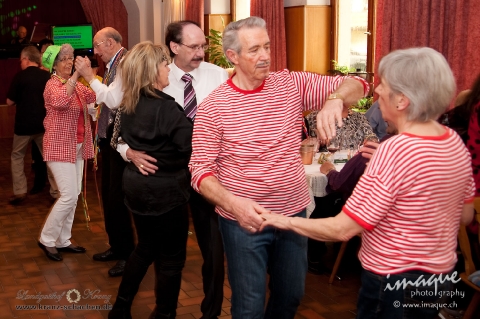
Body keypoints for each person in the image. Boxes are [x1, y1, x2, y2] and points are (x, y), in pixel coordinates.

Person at [259, 47, 475, 319]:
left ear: (402, 101)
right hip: (436, 278)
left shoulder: (393, 150)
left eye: (384, 86)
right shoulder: (452, 141)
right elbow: (465, 215)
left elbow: (341, 229)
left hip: (392, 281)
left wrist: (279, 219)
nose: (378, 93)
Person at [188, 16, 368, 318]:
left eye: (267, 47)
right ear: (232, 56)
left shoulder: (290, 84)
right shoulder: (214, 106)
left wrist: (335, 99)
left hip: (293, 214)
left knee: (291, 295)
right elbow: (200, 171)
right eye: (255, 49)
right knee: (248, 306)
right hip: (243, 221)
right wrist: (234, 204)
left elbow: (358, 84)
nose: (265, 56)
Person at [117, 20, 229, 319]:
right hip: (170, 184)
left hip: (201, 178)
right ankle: (163, 313)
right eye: (194, 46)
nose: (201, 51)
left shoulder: (218, 76)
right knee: (169, 258)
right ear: (174, 47)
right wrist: (128, 152)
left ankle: (210, 312)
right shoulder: (162, 101)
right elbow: (117, 138)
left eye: (203, 45)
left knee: (212, 252)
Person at [107, 41, 193, 319]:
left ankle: (120, 308)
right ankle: (164, 315)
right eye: (165, 63)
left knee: (144, 248)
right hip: (165, 193)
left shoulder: (129, 103)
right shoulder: (167, 109)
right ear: (152, 70)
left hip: (137, 188)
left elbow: (112, 133)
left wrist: (129, 152)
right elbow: (192, 150)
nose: (169, 68)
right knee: (171, 259)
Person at [75, 27, 134, 277]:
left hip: (120, 139)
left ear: (110, 43)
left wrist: (89, 76)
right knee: (111, 198)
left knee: (118, 198)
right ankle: (117, 247)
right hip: (109, 138)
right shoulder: (113, 63)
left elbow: (113, 100)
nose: (95, 51)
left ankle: (128, 254)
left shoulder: (125, 63)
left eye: (98, 45)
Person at [38, 44, 96, 261]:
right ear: (54, 65)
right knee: (69, 195)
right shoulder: (52, 85)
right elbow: (61, 101)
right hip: (58, 147)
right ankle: (47, 238)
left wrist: (90, 75)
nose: (69, 62)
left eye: (71, 58)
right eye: (64, 59)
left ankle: (63, 240)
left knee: (75, 195)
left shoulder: (78, 86)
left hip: (78, 147)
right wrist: (77, 77)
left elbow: (92, 96)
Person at [6, 46, 56, 204]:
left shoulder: (19, 77)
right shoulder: (47, 76)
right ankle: (56, 191)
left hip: (23, 127)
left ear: (27, 59)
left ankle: (20, 192)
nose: (20, 63)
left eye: (21, 60)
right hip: (43, 125)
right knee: (49, 159)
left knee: (17, 157)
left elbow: (9, 101)